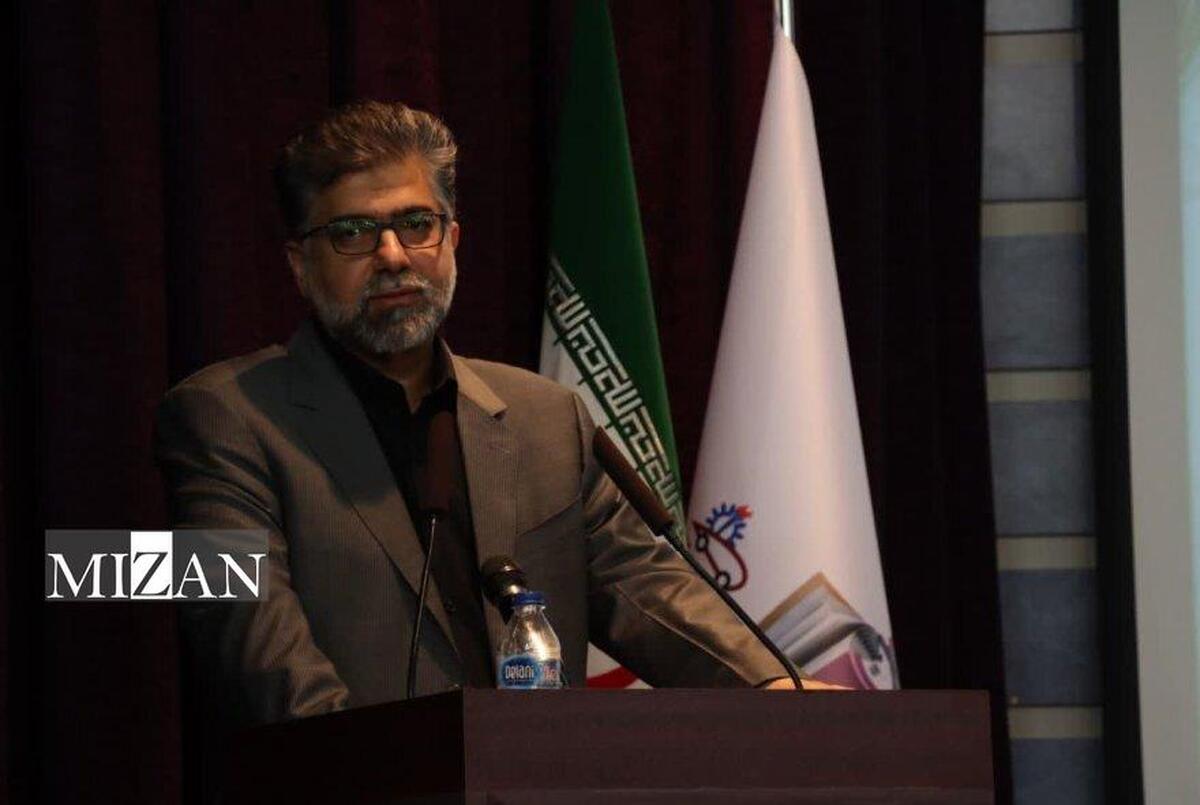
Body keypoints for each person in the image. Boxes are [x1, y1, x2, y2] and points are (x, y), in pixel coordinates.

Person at [155, 100, 805, 729]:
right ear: (300, 263)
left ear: (453, 239)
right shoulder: (222, 417)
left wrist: (775, 689)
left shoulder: (546, 417)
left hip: (538, 778)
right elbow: (255, 644)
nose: (392, 255)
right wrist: (379, 772)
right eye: (353, 233)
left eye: (417, 223)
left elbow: (645, 586)